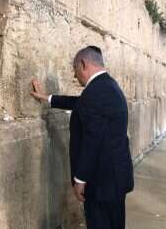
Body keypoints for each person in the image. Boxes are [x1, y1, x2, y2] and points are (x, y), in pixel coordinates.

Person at [31, 46, 134, 229]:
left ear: (84, 64)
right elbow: (79, 103)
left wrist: (80, 179)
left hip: (100, 182)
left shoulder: (96, 92)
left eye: (75, 69)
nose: (74, 75)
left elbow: (92, 141)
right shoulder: (107, 86)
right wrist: (47, 98)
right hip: (115, 178)